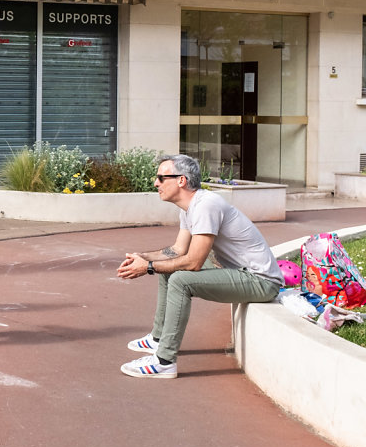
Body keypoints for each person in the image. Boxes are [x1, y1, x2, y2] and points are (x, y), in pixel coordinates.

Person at [116, 154, 283, 378]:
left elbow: (193, 262)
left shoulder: (207, 205)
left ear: (181, 180)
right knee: (170, 267)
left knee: (180, 280)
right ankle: (158, 339)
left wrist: (147, 268)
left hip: (260, 281)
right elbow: (177, 251)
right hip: (240, 274)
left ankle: (165, 361)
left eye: (161, 178)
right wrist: (143, 256)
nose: (156, 183)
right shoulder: (189, 208)